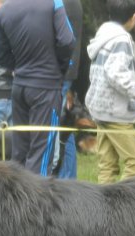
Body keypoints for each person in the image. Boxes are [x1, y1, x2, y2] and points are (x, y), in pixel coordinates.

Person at [0, 0, 75, 176]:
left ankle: (16, 193)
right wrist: (59, 69)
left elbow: (0, 56)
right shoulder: (54, 3)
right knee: (41, 153)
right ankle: (36, 195)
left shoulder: (3, 10)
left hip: (19, 87)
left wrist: (19, 68)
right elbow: (67, 41)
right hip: (47, 87)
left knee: (19, 153)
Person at [85, 0, 135, 184]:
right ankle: (121, 199)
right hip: (115, 112)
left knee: (107, 166)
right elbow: (117, 76)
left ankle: (102, 201)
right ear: (133, 17)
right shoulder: (121, 40)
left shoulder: (104, 34)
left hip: (99, 108)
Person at [53, 0, 83, 179]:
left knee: (60, 130)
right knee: (64, 128)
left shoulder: (64, 3)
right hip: (64, 71)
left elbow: (64, 40)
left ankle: (66, 178)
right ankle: (68, 178)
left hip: (60, 72)